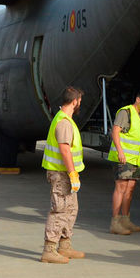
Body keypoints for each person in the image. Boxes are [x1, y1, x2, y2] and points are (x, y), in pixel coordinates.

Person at [39, 86, 87, 264]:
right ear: (74, 101)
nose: (80, 103)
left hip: (65, 173)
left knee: (71, 208)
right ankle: (49, 249)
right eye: (79, 101)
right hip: (61, 174)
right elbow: (65, 150)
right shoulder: (64, 122)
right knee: (59, 209)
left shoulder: (65, 119)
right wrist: (73, 173)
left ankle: (65, 245)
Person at [108, 89, 140, 235]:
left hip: (135, 160)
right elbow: (115, 131)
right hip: (124, 158)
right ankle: (115, 222)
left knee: (130, 189)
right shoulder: (126, 112)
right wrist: (120, 151)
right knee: (121, 189)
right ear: (138, 99)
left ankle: (125, 220)